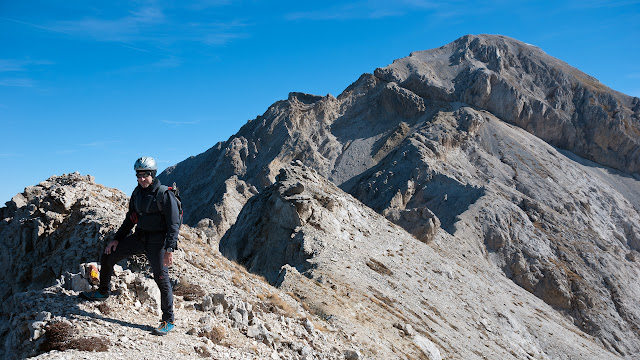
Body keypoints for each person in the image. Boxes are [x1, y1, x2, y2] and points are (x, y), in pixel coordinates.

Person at [80, 156, 180, 336]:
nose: (142, 179)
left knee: (161, 278)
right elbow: (130, 219)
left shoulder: (165, 194)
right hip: (140, 237)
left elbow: (174, 224)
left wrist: (169, 249)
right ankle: (103, 291)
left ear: (153, 174)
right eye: (138, 175)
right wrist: (116, 239)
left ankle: (168, 319)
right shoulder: (137, 194)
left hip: (158, 242)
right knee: (109, 255)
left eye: (145, 175)